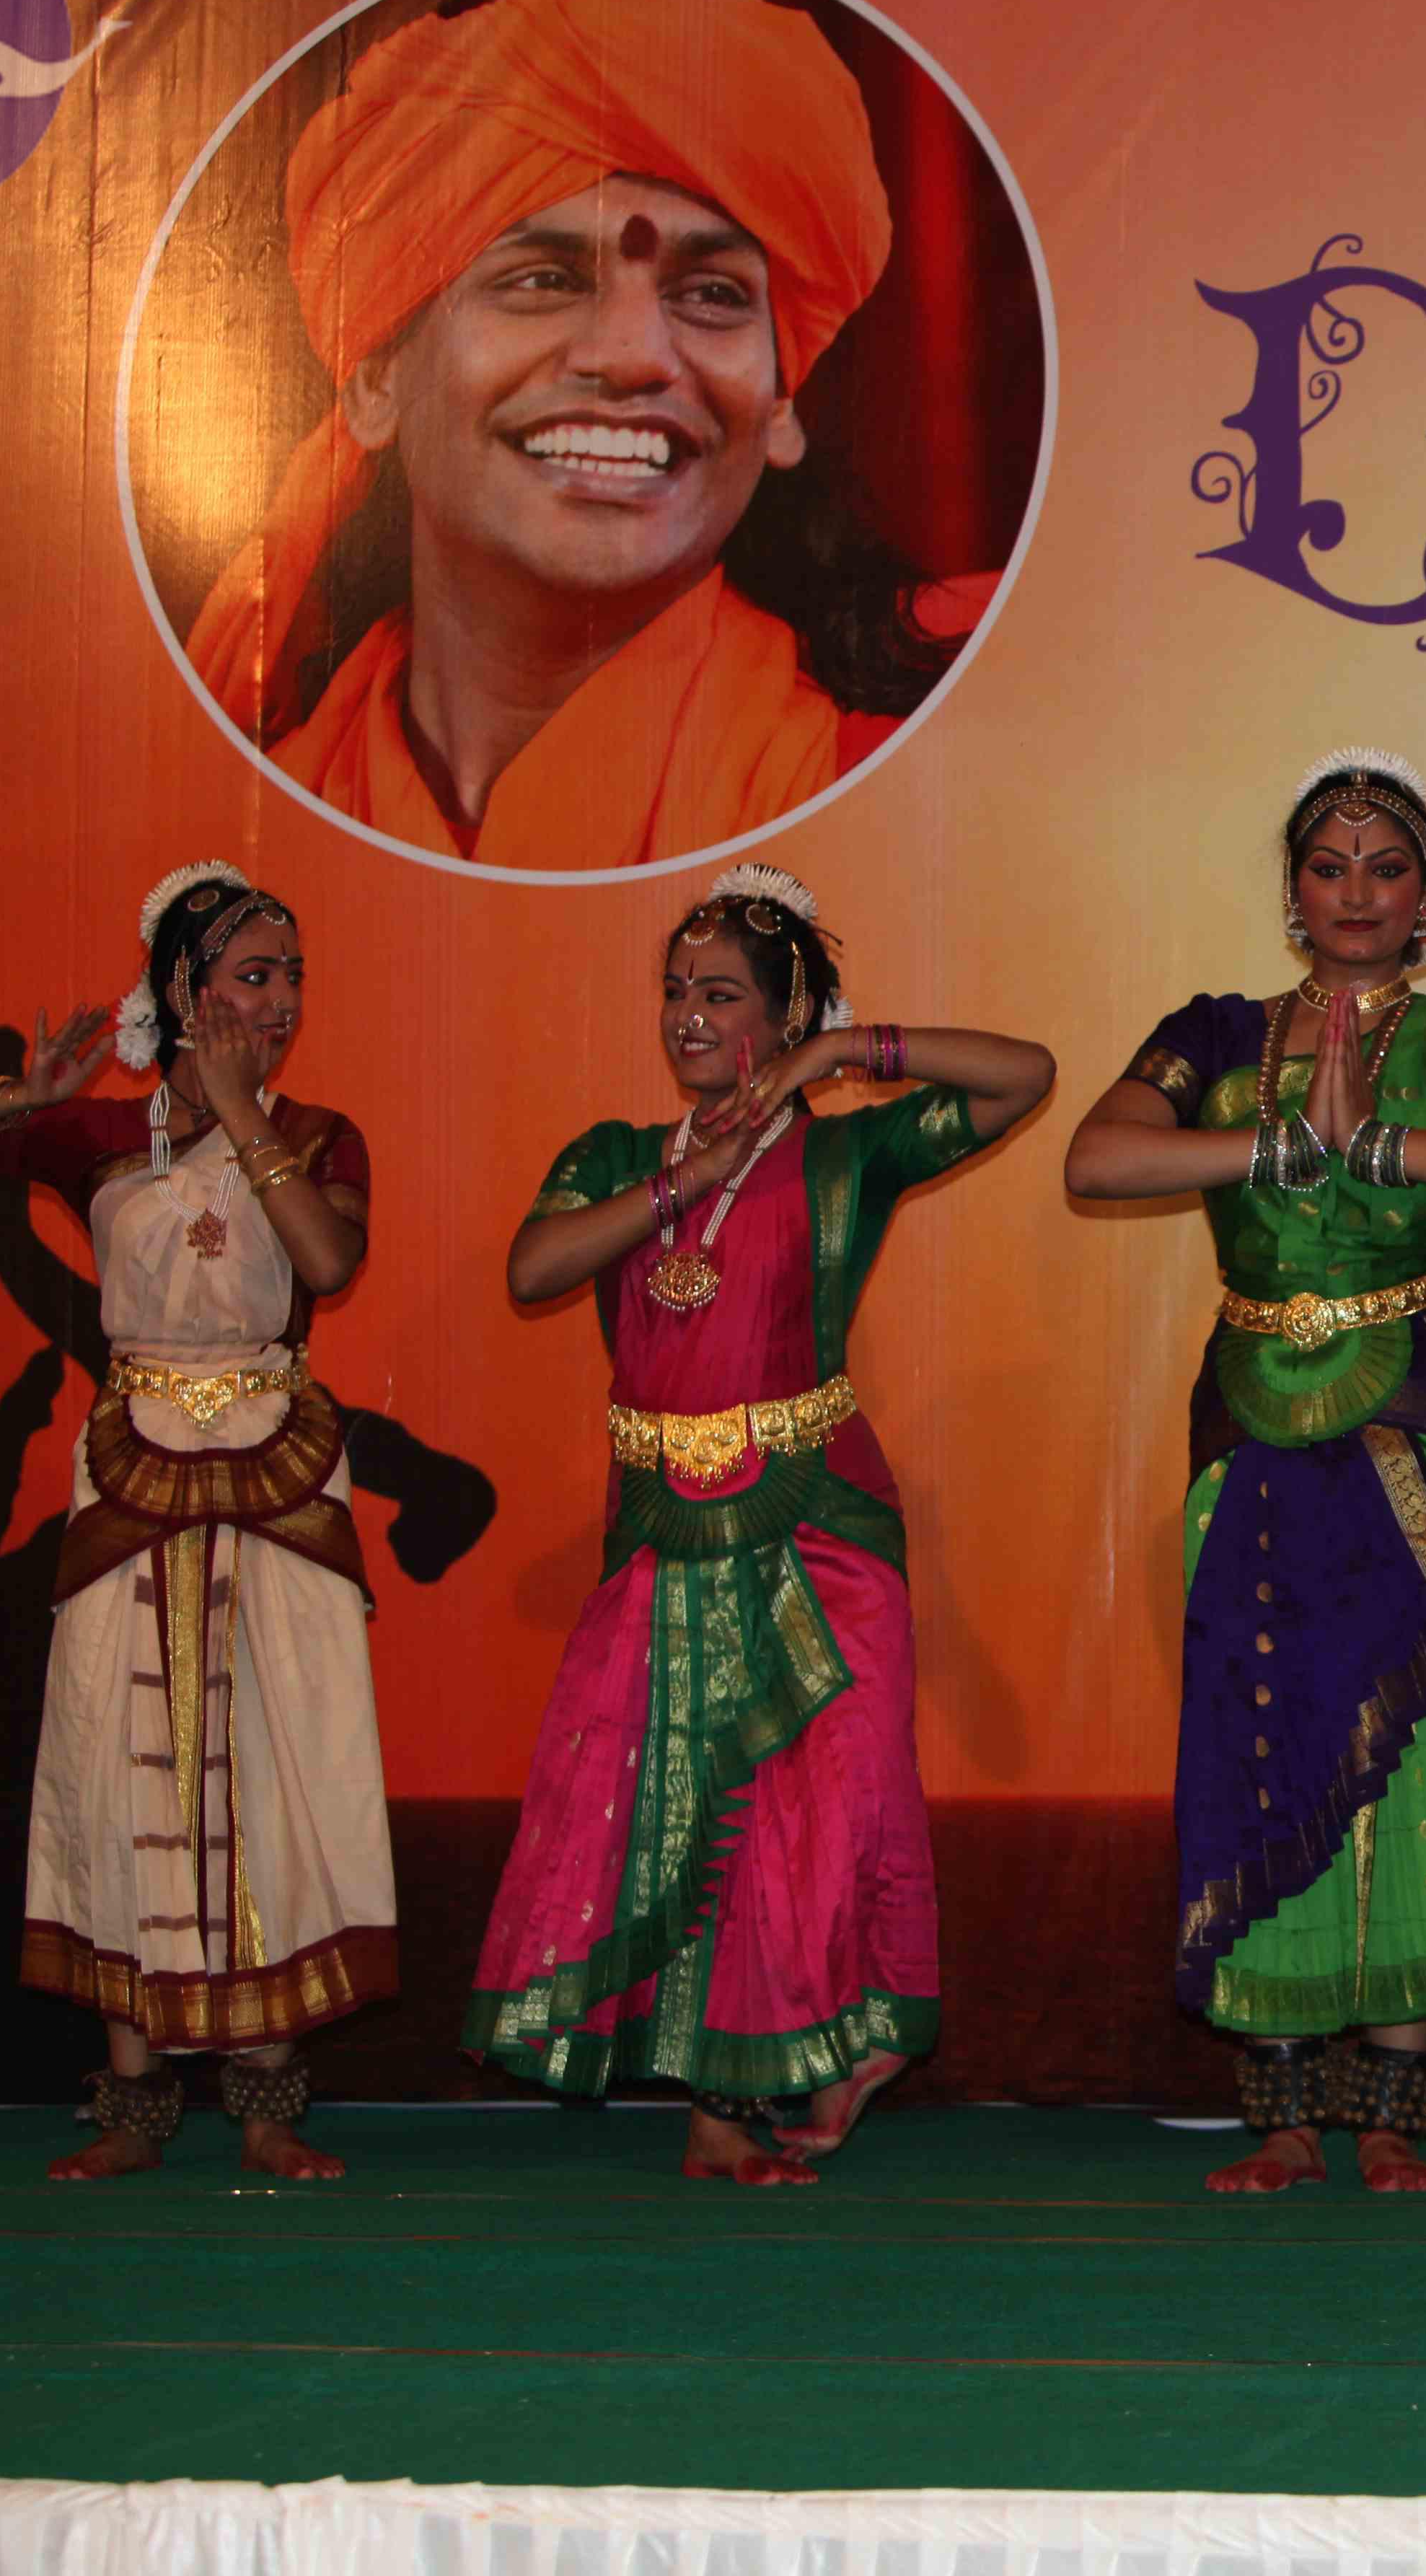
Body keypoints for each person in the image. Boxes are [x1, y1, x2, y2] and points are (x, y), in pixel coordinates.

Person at [1065, 750, 1426, 2195]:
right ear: (1293, 889)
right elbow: (1099, 1157)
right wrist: (1283, 1141)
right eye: (1328, 864)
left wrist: (1380, 1142)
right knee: (1267, 1734)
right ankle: (1286, 2114)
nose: (1357, 891)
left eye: (1387, 865)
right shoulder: (1214, 1032)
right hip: (1257, 1420)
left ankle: (1392, 2110)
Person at [465, 863, 1051, 2181]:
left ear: (783, 1016)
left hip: (820, 1529)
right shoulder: (616, 1156)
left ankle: (783, 2072)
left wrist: (845, 1054)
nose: (687, 1014)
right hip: (662, 1532)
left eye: (722, 994)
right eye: (675, 989)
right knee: (681, 1812)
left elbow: (1027, 1075)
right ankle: (720, 2110)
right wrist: (690, 1181)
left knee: (821, 1812)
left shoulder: (848, 1153)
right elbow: (533, 1267)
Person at [181, 0, 987, 868]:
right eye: (544, 280)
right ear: (376, 385)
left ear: (779, 406)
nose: (635, 354)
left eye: (713, 294)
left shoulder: (928, 793)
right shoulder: (239, 839)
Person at [0, 863, 392, 2179]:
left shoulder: (321, 1132)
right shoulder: (97, 1133)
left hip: (276, 1468)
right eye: (254, 974)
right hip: (133, 1467)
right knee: (124, 1758)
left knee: (272, 1758)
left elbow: (328, 1261)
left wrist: (238, 1108)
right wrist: (17, 1099)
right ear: (185, 987)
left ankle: (266, 2101)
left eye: (293, 975)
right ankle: (133, 2104)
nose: (282, 1000)